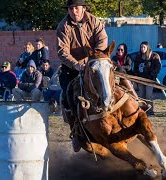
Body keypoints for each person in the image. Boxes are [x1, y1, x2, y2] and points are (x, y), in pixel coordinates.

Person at [57, 0, 108, 152]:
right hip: (72, 68)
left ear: (83, 8)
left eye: (76, 8)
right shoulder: (63, 26)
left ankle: (136, 101)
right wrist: (77, 64)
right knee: (67, 98)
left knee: (121, 77)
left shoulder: (95, 21)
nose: (74, 11)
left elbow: (102, 41)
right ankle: (76, 130)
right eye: (71, 8)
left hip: (96, 63)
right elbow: (62, 52)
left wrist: (92, 59)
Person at [133, 41, 161, 116]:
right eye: (141, 47)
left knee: (148, 95)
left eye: (144, 47)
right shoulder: (138, 56)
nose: (142, 49)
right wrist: (136, 76)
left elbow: (158, 67)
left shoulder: (154, 56)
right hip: (141, 79)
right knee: (141, 95)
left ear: (147, 47)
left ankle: (150, 110)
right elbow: (135, 68)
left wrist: (152, 74)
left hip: (149, 80)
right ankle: (142, 110)